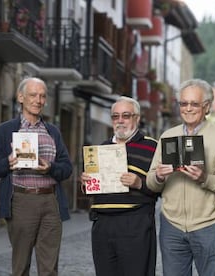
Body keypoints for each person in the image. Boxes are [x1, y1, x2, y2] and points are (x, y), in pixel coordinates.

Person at [147, 78, 215, 276]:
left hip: (209, 224)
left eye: (194, 104)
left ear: (206, 107)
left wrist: (205, 178)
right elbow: (151, 183)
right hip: (171, 225)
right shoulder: (167, 136)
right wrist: (159, 177)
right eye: (183, 103)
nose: (188, 108)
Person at [0, 77, 72, 276]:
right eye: (33, 95)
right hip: (21, 200)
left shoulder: (52, 132)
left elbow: (66, 168)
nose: (38, 100)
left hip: (51, 201)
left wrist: (49, 168)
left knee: (50, 267)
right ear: (20, 97)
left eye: (42, 96)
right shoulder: (5, 130)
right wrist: (8, 162)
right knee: (20, 265)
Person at [80, 96, 159, 276]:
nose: (120, 121)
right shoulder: (100, 149)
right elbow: (91, 190)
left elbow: (162, 187)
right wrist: (85, 183)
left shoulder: (152, 147)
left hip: (135, 221)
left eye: (126, 115)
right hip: (102, 223)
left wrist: (140, 183)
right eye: (115, 117)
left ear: (137, 118)